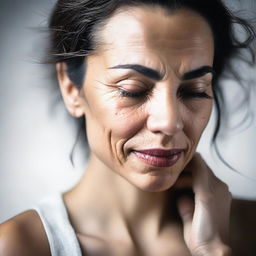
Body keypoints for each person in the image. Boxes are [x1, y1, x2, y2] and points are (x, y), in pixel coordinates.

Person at [0, 0, 255, 255]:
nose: (169, 122)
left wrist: (211, 249)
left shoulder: (249, 231)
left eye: (194, 91)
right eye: (131, 90)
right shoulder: (19, 246)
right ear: (70, 87)